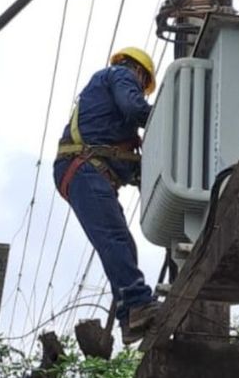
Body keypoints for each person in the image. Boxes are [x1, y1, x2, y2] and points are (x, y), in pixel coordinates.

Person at [53, 47, 160, 343]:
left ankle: (131, 318)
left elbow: (129, 162)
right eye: (144, 87)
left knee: (122, 242)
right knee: (114, 239)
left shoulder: (105, 100)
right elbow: (135, 108)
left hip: (86, 172)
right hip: (85, 168)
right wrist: (169, 117)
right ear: (140, 73)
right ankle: (138, 303)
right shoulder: (120, 75)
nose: (141, 92)